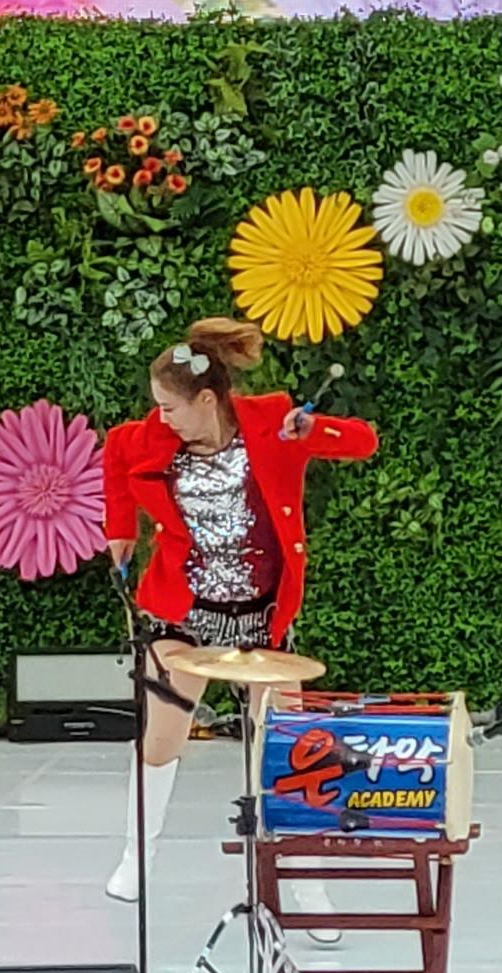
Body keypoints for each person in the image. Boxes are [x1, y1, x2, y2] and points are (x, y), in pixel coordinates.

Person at [99, 317, 377, 907]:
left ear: (207, 399)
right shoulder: (152, 437)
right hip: (184, 611)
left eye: (170, 407)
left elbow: (362, 442)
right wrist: (119, 527)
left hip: (261, 615)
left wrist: (313, 428)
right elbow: (117, 452)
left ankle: (303, 877)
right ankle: (136, 854)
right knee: (161, 737)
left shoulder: (272, 420)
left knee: (291, 748)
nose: (161, 418)